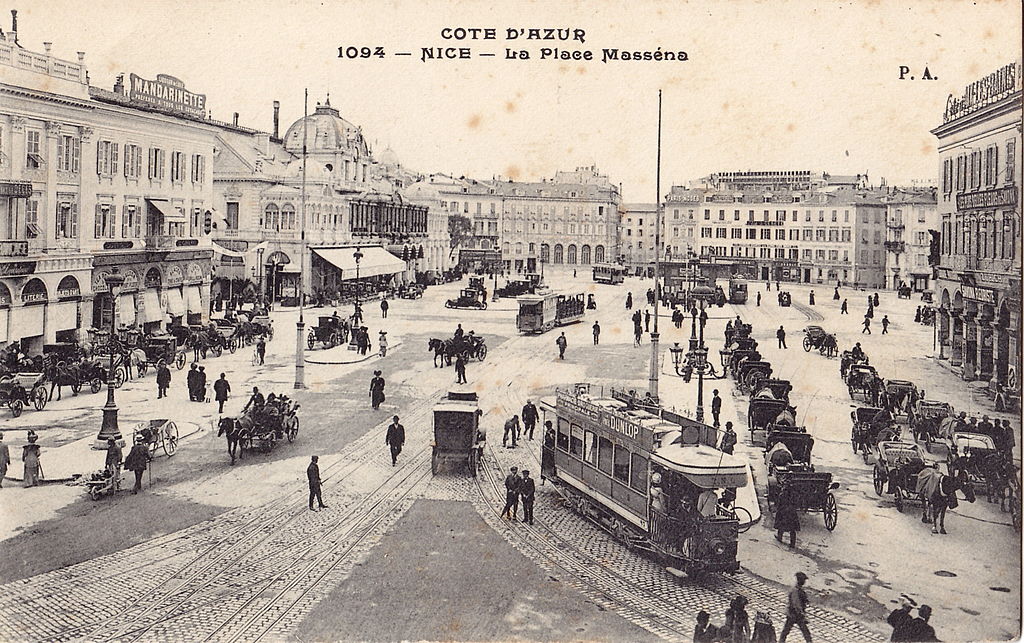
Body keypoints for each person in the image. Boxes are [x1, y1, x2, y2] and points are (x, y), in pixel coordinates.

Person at [779, 572, 811, 642]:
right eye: (803, 580)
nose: (804, 582)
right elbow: (796, 604)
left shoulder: (799, 589)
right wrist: (802, 614)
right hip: (794, 614)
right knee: (805, 632)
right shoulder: (795, 590)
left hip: (794, 614)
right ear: (800, 580)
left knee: (787, 631)